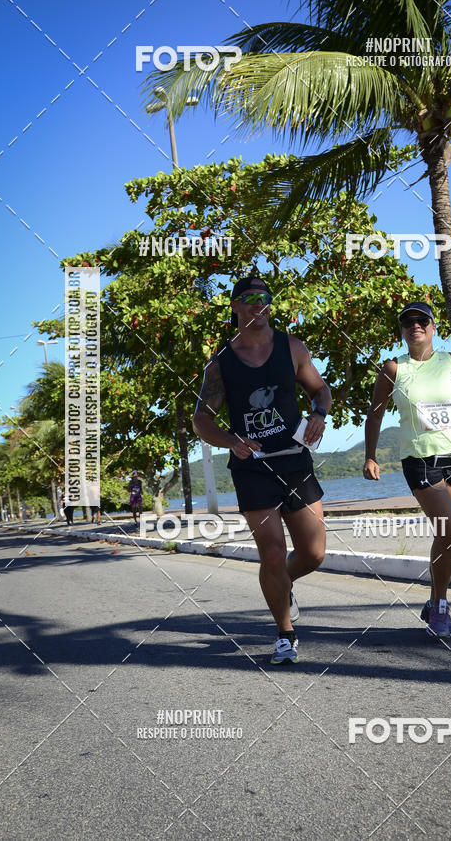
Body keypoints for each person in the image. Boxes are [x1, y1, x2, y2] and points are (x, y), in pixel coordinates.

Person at [193, 275, 331, 665]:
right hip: (252, 467)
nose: (260, 304)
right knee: (272, 553)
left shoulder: (292, 348)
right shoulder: (221, 363)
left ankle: (282, 586)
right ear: (235, 306)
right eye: (251, 298)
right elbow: (201, 419)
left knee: (315, 553)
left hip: (294, 462)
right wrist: (231, 442)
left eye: (266, 299)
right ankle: (285, 634)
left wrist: (319, 414)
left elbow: (321, 391)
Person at [363, 301, 451, 638]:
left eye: (422, 320)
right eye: (408, 322)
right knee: (448, 529)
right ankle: (440, 609)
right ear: (402, 331)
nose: (415, 325)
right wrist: (370, 456)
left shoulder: (450, 361)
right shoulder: (394, 369)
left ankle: (437, 601)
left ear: (434, 327)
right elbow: (375, 414)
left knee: (447, 538)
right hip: (420, 462)